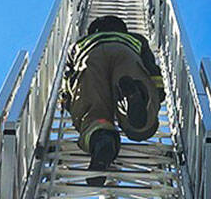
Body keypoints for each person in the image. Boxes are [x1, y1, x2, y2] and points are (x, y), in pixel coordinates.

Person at [61, 15, 164, 180]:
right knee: (142, 121)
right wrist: (158, 91)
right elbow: (151, 68)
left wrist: (66, 99)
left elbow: (68, 75)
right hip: (126, 53)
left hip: (90, 57)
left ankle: (102, 139)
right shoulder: (136, 39)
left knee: (92, 108)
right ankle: (132, 100)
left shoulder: (78, 44)